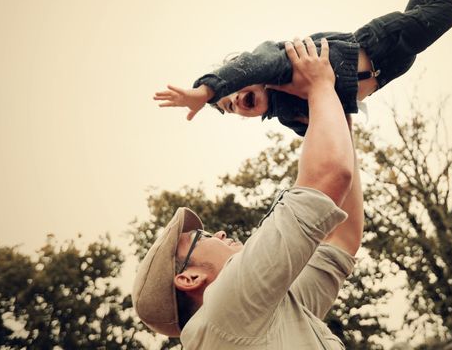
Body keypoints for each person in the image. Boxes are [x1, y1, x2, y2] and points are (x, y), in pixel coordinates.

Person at [133, 37, 365, 348]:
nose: (218, 234)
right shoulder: (226, 305)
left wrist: (333, 111)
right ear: (189, 279)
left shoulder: (265, 311)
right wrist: (320, 85)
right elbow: (330, 176)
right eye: (199, 238)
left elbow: (341, 239)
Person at [154, 0, 452, 136]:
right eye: (229, 108)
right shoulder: (288, 116)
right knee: (423, 15)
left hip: (376, 43)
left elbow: (252, 65)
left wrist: (205, 91)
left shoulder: (277, 65)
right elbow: (325, 139)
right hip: (388, 70)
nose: (235, 102)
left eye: (231, 95)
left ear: (246, 79)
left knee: (443, 11)